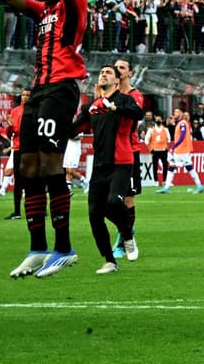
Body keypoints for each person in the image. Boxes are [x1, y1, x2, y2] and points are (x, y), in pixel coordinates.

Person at [0, 0, 90, 279]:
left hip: (62, 89)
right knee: (28, 167)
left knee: (52, 166)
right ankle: (38, 247)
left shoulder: (75, 3)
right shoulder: (44, 12)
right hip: (38, 91)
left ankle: (64, 248)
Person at [74, 66, 143, 273]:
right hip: (99, 166)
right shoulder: (92, 106)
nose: (103, 74)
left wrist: (114, 108)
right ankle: (110, 261)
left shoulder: (124, 99)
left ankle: (127, 235)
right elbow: (75, 128)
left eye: (108, 73)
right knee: (95, 214)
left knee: (114, 201)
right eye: (101, 72)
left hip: (122, 162)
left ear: (116, 81)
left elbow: (138, 113)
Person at [109, 60, 144, 259]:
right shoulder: (107, 95)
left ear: (129, 73)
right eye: (116, 67)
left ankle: (124, 240)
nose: (118, 70)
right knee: (107, 201)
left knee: (127, 198)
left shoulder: (134, 96)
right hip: (108, 153)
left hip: (129, 151)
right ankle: (126, 230)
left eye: (122, 67)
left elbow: (132, 116)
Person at [0, 87, 31, 217]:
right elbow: (9, 133)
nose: (25, 97)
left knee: (33, 180)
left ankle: (39, 211)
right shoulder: (15, 111)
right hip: (18, 148)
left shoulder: (36, 110)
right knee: (18, 181)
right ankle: (17, 211)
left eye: (28, 95)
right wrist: (10, 126)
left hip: (31, 150)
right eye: (23, 95)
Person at [157, 109, 204, 193]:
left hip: (182, 150)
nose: (174, 113)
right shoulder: (180, 123)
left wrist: (173, 147)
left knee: (183, 167)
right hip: (181, 150)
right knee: (176, 167)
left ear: (181, 114)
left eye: (176, 112)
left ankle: (199, 186)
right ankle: (167, 187)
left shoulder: (182, 123)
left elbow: (182, 137)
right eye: (174, 112)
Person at [145, 114, 170, 187]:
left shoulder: (165, 129)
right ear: (155, 121)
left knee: (165, 166)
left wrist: (166, 147)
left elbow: (169, 139)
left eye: (159, 119)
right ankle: (156, 181)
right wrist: (150, 149)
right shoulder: (151, 130)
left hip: (163, 150)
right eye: (157, 120)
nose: (158, 121)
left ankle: (164, 181)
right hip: (155, 150)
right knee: (155, 166)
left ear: (161, 121)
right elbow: (146, 140)